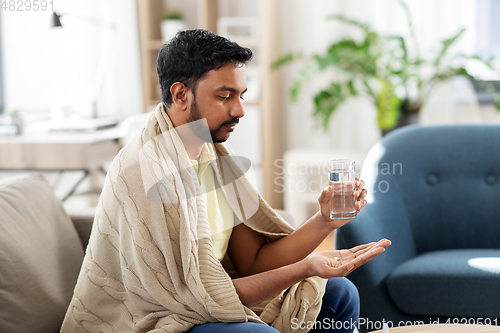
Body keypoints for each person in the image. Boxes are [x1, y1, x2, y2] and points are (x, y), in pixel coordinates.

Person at [61, 29, 390, 333]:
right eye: (224, 96)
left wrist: (324, 221)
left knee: (339, 293)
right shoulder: (147, 171)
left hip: (205, 297)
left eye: (241, 95)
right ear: (180, 95)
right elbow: (198, 298)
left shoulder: (213, 155)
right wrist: (307, 267)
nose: (239, 110)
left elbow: (253, 263)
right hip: (157, 319)